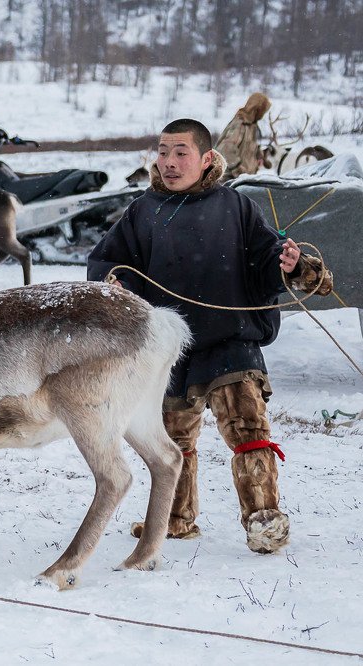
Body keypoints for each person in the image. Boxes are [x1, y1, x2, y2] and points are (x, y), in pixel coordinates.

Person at [87, 118, 332, 554]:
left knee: (247, 429)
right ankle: (175, 519)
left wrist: (291, 263)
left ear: (206, 159)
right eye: (163, 152)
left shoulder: (235, 206)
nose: (169, 162)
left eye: (181, 153)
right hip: (170, 347)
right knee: (171, 441)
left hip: (230, 341)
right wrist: (112, 282)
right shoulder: (143, 211)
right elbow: (107, 261)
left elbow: (267, 255)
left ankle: (264, 519)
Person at [216, 92, 271, 180]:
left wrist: (260, 157)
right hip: (232, 181)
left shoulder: (251, 125)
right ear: (257, 109)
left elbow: (249, 146)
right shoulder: (241, 124)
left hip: (244, 179)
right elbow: (226, 148)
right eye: (263, 111)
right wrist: (239, 171)